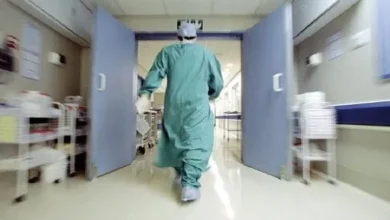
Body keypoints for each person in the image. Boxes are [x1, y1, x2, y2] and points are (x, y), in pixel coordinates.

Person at [136, 23, 223, 202]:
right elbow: (217, 84)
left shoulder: (167, 52)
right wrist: (212, 94)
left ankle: (180, 172)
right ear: (195, 38)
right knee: (197, 142)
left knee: (175, 138)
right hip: (197, 105)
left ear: (178, 37)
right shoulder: (206, 54)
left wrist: (145, 94)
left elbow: (155, 72)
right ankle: (189, 184)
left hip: (174, 105)